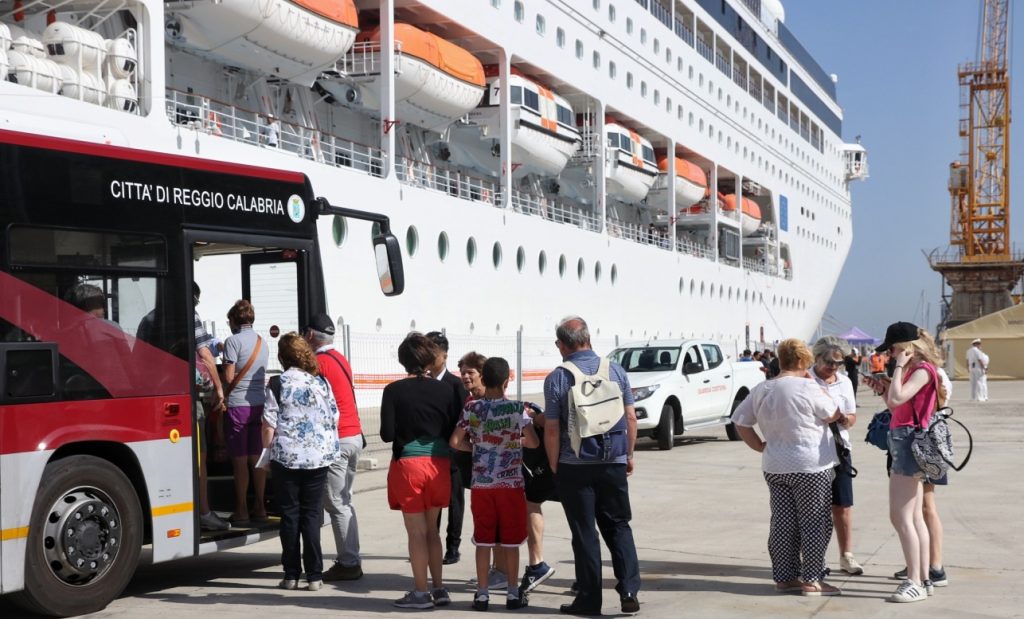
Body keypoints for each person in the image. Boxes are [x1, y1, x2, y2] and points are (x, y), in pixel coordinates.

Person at [733, 338, 847, 597]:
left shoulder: (763, 388)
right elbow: (832, 414)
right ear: (801, 361)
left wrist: (760, 446)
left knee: (783, 522)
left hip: (775, 464)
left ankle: (785, 577)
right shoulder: (808, 387)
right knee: (814, 522)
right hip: (810, 465)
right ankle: (813, 578)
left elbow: (741, 421)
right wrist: (816, 386)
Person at [543, 316, 641, 615]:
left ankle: (589, 600)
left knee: (584, 531)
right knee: (618, 525)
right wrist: (629, 454)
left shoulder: (558, 377)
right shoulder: (616, 370)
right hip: (613, 460)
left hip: (575, 463)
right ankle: (628, 591)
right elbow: (631, 417)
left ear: (562, 344)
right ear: (588, 338)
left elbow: (551, 428)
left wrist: (555, 465)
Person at [450, 357, 539, 611]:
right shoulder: (517, 409)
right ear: (506, 381)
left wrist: (477, 446)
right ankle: (512, 593)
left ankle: (482, 593)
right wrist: (515, 442)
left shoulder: (471, 409)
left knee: (483, 540)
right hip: (511, 485)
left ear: (483, 379)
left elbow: (455, 442)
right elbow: (533, 442)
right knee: (510, 542)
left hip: (481, 484)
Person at [380, 333, 461, 609]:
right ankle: (439, 588)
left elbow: (387, 434)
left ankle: (420, 592)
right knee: (432, 532)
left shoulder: (393, 391)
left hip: (409, 465)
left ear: (403, 361)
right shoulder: (448, 390)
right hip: (439, 464)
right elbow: (454, 429)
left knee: (415, 533)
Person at [261, 333, 341, 591]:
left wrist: (267, 447)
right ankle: (315, 576)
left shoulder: (277, 383)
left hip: (286, 458)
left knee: (290, 515)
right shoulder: (322, 383)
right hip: (318, 458)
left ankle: (291, 574)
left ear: (283, 358)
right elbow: (334, 417)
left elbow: (268, 426)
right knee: (311, 514)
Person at [874, 321, 946, 603]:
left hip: (908, 442)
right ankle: (924, 578)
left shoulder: (922, 370)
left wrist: (899, 369)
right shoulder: (920, 371)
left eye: (892, 350)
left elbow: (899, 396)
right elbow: (895, 405)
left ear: (905, 348)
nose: (890, 355)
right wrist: (882, 389)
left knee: (901, 515)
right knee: (914, 516)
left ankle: (914, 580)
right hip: (905, 438)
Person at [304, 313, 364, 581]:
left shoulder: (318, 363)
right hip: (353, 436)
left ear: (309, 336)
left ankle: (349, 562)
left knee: (337, 503)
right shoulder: (340, 359)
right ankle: (350, 557)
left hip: (337, 440)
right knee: (345, 501)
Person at [810, 337, 862, 577]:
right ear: (816, 358)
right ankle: (812, 560)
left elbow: (852, 417)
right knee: (813, 508)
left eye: (838, 363)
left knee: (843, 506)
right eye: (829, 362)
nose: (833, 367)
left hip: (839, 448)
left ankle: (846, 555)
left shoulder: (844, 382)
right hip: (811, 450)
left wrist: (843, 419)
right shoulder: (804, 380)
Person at [222, 299, 270, 526]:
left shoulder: (232, 341)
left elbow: (230, 377)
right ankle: (260, 506)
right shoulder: (263, 342)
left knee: (240, 462)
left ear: (234, 320)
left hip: (238, 406)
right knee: (257, 459)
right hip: (259, 405)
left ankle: (241, 509)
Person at [426, 331, 471, 566]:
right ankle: (431, 540)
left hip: (452, 451)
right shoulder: (421, 383)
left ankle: (453, 546)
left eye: (431, 352)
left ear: (444, 355)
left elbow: (462, 418)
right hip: (429, 453)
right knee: (433, 500)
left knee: (454, 500)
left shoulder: (456, 385)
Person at [192, 284, 230, 531]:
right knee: (199, 458)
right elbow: (205, 354)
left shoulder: (148, 318)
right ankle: (204, 511)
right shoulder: (187, 312)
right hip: (190, 397)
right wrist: (218, 389)